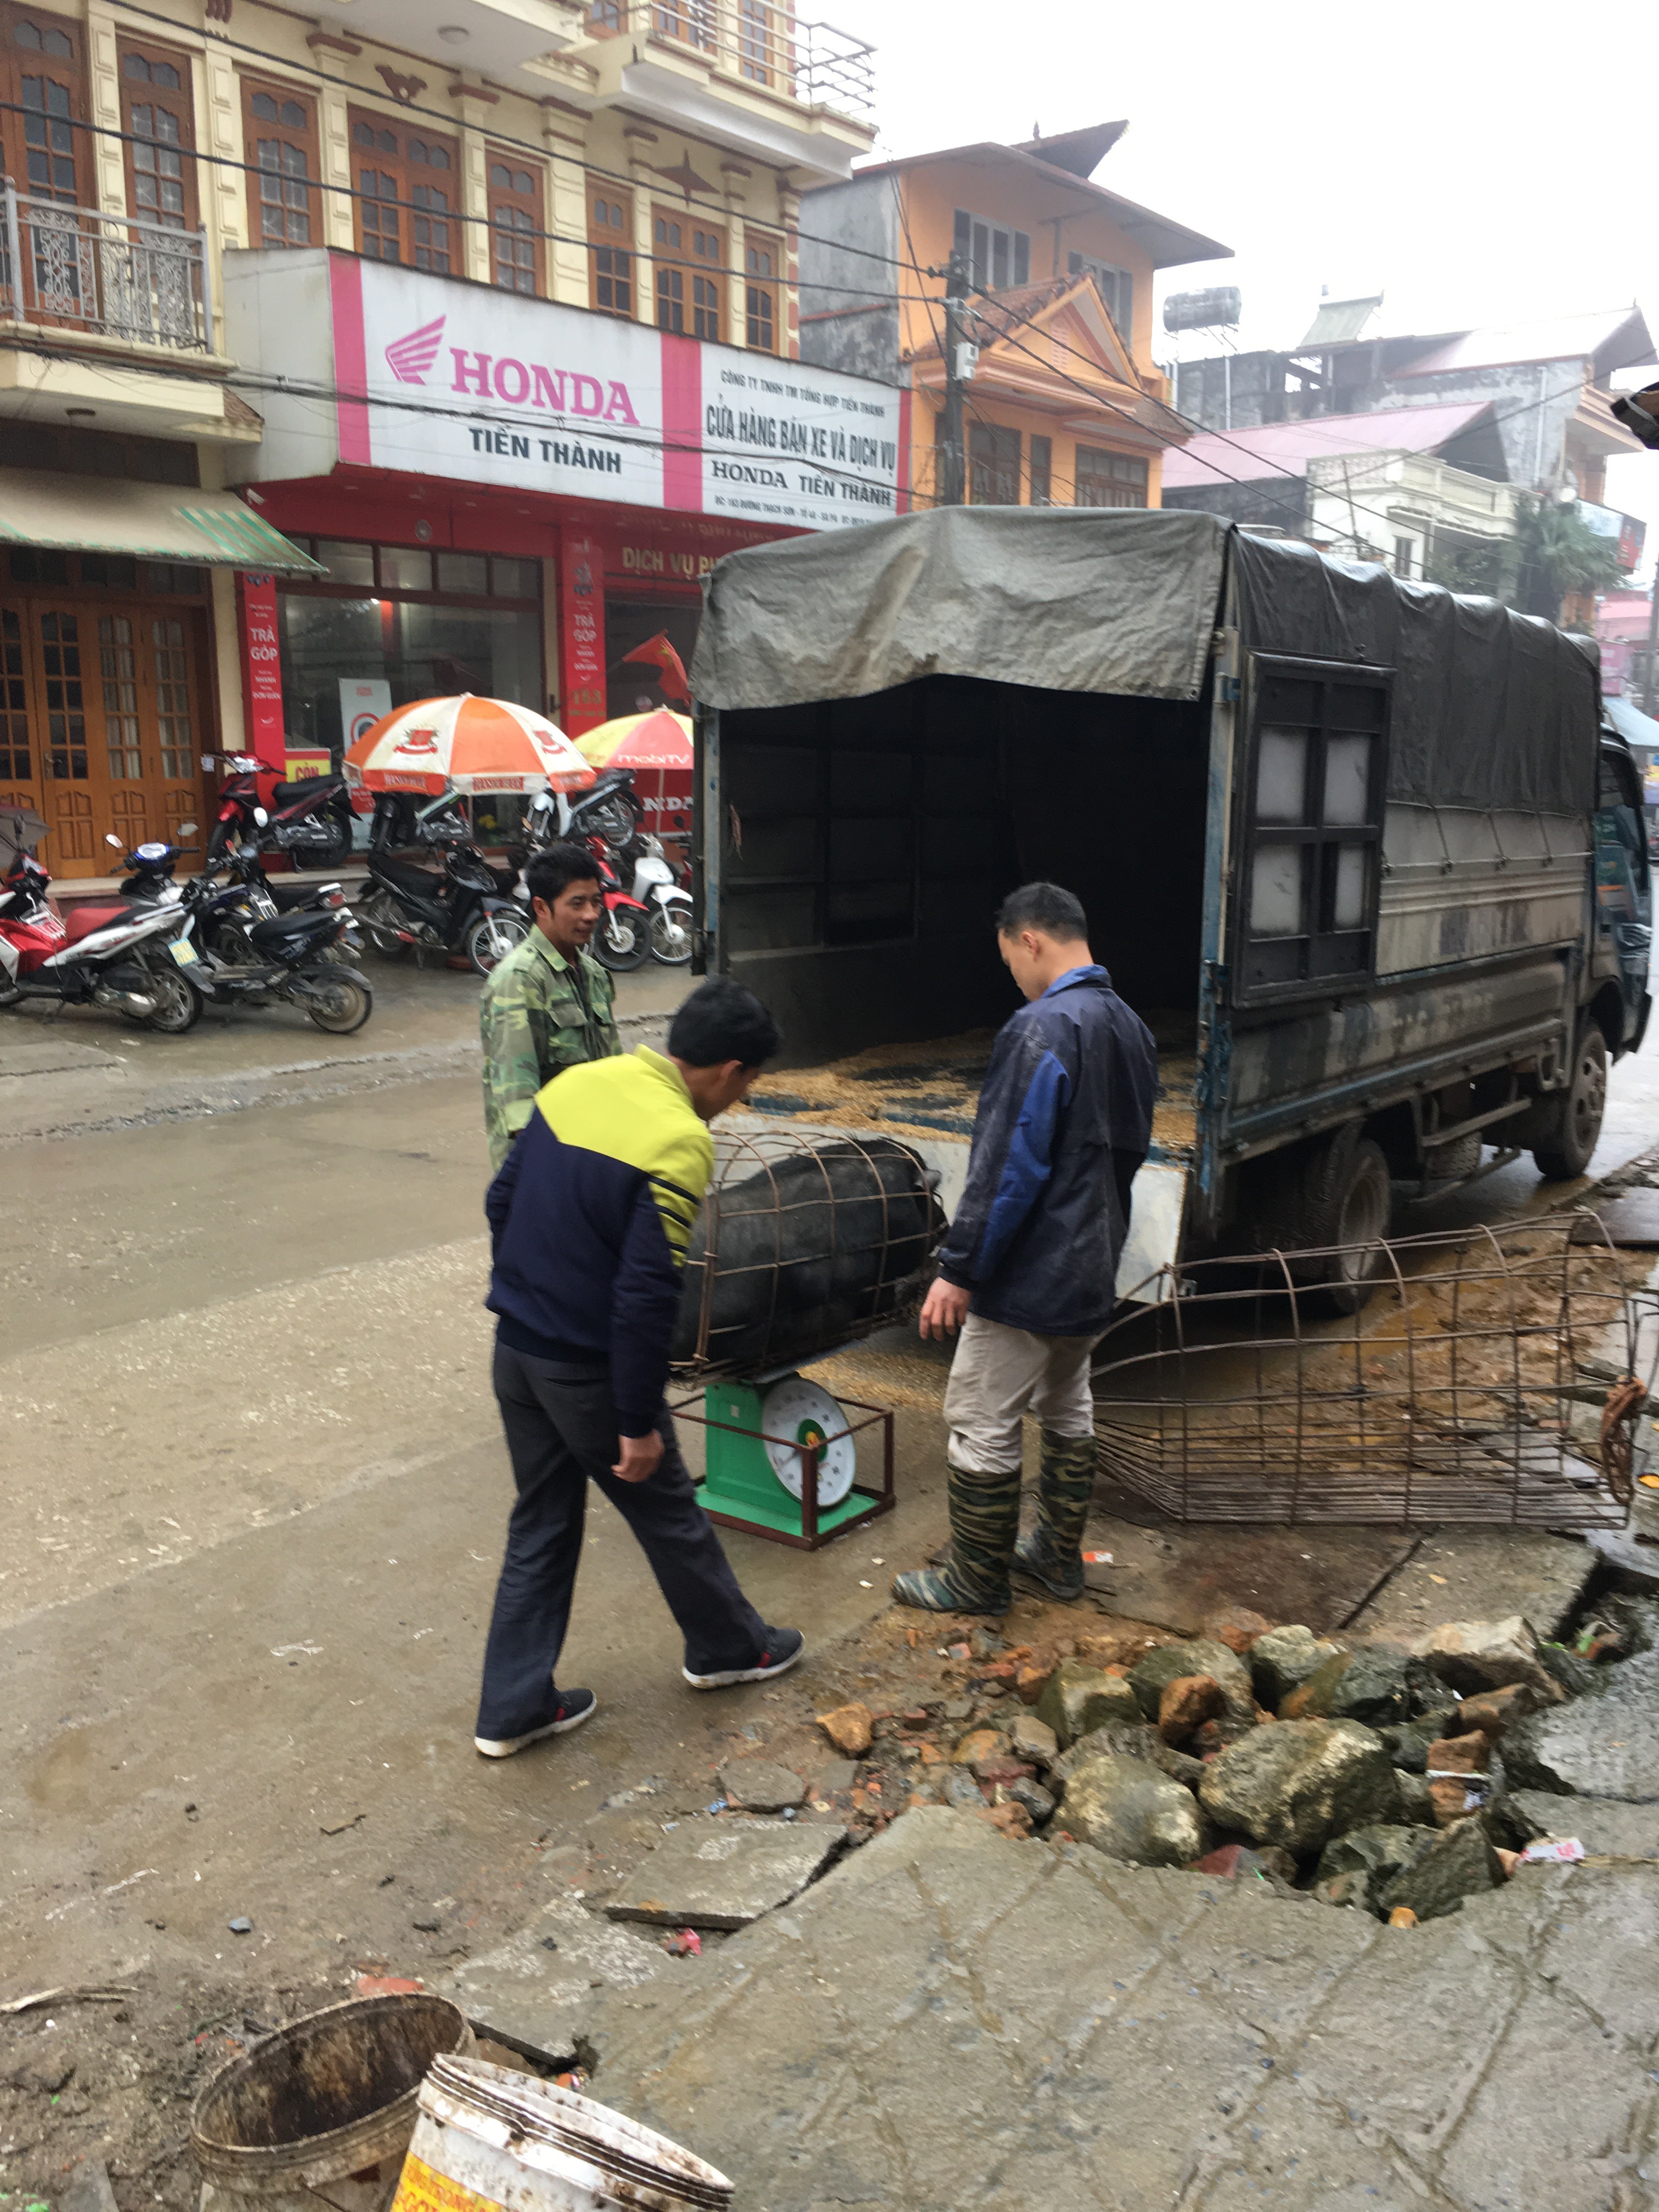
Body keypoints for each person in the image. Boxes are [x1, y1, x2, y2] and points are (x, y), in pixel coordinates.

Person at [474, 976, 804, 1756]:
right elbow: (645, 1294)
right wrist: (635, 1420)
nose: (742, 1097)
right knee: (667, 1511)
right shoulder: (682, 1140)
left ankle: (512, 1708)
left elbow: (501, 1202)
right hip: (585, 1370)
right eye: (749, 1081)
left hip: (516, 1350)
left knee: (542, 1522)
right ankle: (731, 1650)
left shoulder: (581, 1084)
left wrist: (531, 1289)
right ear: (728, 1070)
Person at [892, 882, 1158, 1616]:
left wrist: (961, 1269)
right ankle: (1057, 1557)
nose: (1012, 973)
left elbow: (1007, 1165)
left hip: (1029, 1274)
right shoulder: (1132, 1028)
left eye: (1009, 956)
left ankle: (975, 1581)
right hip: (1093, 1263)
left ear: (1029, 939)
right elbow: (1130, 1154)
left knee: (979, 1417)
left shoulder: (1040, 1028)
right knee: (1069, 1406)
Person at [480, 842, 620, 1171]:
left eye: (595, 902)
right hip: (542, 1168)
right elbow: (518, 1104)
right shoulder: (519, 980)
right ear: (542, 908)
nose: (591, 915)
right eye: (577, 903)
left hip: (593, 1157)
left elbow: (613, 1070)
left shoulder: (594, 974)